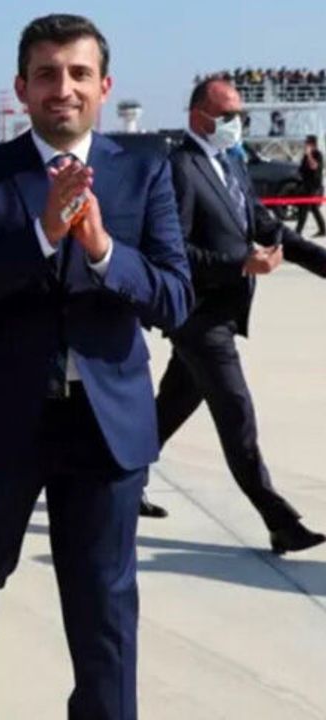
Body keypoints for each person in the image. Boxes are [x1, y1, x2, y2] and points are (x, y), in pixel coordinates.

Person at [0, 15, 192, 720]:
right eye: (46, 74)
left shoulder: (147, 168)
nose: (62, 88)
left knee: (104, 599)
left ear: (104, 86)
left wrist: (102, 250)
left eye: (77, 74)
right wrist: (42, 233)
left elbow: (175, 296)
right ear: (22, 88)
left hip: (105, 422)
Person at [142, 79, 326, 555]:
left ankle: (117, 476)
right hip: (198, 318)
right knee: (236, 413)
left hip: (224, 313)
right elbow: (173, 250)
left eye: (238, 115)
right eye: (226, 116)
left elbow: (267, 227)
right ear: (197, 116)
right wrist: (240, 264)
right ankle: (280, 520)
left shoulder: (230, 162)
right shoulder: (180, 168)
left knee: (170, 407)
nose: (235, 123)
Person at [295, 134, 324, 237]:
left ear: (312, 144)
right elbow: (302, 169)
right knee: (314, 208)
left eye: (307, 143)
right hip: (306, 185)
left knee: (304, 208)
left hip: (314, 186)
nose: (305, 145)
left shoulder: (318, 155)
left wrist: (309, 155)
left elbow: (314, 167)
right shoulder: (305, 156)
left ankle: (297, 232)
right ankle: (323, 229)